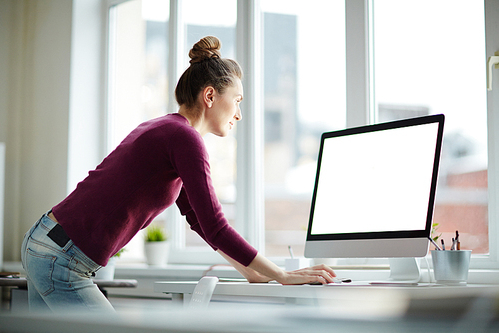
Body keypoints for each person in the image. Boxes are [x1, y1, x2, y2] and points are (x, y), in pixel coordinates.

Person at [20, 36, 336, 312]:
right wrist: (279, 274)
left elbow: (197, 219)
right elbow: (215, 225)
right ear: (210, 96)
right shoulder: (183, 138)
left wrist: (250, 271)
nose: (239, 114)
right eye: (237, 101)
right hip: (62, 258)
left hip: (48, 244)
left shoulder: (166, 129)